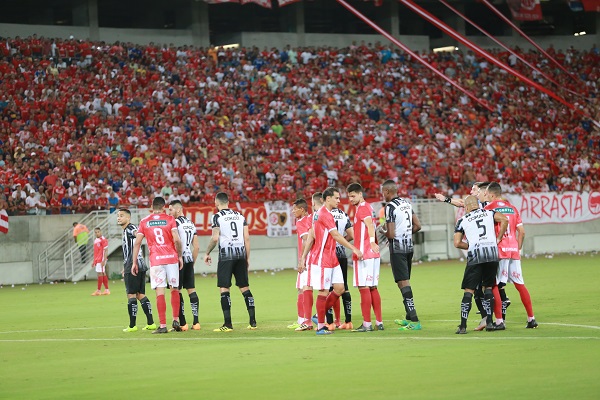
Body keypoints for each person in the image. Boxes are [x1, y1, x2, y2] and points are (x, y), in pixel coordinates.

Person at [299, 187, 363, 335]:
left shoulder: (320, 214)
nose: (339, 201)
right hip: (322, 259)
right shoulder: (324, 214)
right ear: (328, 199)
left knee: (340, 288)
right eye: (337, 198)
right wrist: (353, 248)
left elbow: (312, 236)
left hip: (332, 258)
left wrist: (303, 258)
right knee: (323, 291)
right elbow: (335, 235)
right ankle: (321, 326)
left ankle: (317, 316)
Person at [483, 182, 537, 329]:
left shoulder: (489, 208)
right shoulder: (513, 208)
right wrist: (517, 247)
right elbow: (522, 232)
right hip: (513, 250)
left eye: (487, 194)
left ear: (492, 195)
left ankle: (499, 321)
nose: (486, 196)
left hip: (500, 251)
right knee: (520, 285)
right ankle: (531, 319)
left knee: (494, 284)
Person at [453, 195, 508, 334]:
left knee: (469, 290)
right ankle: (489, 322)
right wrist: (499, 238)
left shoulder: (462, 220)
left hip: (476, 255)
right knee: (488, 287)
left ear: (466, 207)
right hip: (491, 253)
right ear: (477, 205)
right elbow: (504, 219)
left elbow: (457, 243)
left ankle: (463, 326)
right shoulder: (489, 213)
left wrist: (470, 246)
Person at [204, 192, 256, 332]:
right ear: (228, 201)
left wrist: (207, 252)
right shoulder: (240, 216)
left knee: (224, 288)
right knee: (244, 287)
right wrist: (248, 258)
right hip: (241, 255)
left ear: (216, 202)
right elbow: (247, 238)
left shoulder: (217, 217)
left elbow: (215, 238)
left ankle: (228, 324)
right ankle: (252, 321)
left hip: (226, 256)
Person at [132, 196, 183, 334]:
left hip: (156, 260)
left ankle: (162, 325)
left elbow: (137, 243)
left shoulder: (144, 221)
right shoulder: (170, 219)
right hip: (171, 258)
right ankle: (176, 320)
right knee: (174, 289)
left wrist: (134, 261)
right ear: (164, 207)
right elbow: (177, 240)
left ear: (152, 207)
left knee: (160, 292)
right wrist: (179, 255)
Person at [381, 179, 423, 331]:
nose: (382, 195)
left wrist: (382, 231)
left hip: (398, 249)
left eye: (382, 192)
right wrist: (404, 233)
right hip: (409, 247)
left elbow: (391, 235)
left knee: (403, 283)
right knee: (403, 281)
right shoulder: (406, 203)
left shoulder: (390, 207)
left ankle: (415, 320)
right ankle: (408, 317)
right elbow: (418, 226)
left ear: (387, 192)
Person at [345, 183, 382, 332]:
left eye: (353, 196)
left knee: (363, 287)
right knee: (372, 287)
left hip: (364, 254)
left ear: (360, 194)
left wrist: (372, 242)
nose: (351, 199)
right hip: (372, 254)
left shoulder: (363, 208)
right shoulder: (369, 207)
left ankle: (367, 324)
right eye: (349, 197)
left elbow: (370, 226)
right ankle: (379, 322)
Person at [117, 208, 156, 332]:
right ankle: (151, 323)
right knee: (140, 295)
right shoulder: (127, 229)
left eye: (122, 216)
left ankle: (132, 326)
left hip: (132, 265)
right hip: (141, 264)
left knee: (131, 295)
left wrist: (140, 234)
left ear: (128, 218)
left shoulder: (130, 228)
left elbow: (136, 233)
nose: (119, 218)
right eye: (118, 216)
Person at [169, 200, 201, 331]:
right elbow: (197, 247)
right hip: (189, 259)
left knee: (177, 290)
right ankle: (196, 322)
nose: (169, 212)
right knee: (191, 289)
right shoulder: (191, 223)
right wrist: (192, 262)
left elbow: (176, 242)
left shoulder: (174, 223)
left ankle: (183, 324)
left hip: (178, 260)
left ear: (178, 210)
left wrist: (178, 257)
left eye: (170, 210)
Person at [328, 204, 354, 330]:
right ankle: (348, 321)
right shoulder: (343, 214)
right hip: (342, 253)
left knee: (328, 287)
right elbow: (351, 234)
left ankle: (329, 323)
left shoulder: (325, 214)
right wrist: (342, 241)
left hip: (329, 254)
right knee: (345, 286)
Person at [287, 198, 312, 330]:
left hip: (307, 260)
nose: (293, 212)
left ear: (302, 210)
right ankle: (324, 319)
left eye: (295, 209)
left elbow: (306, 239)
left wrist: (302, 258)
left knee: (302, 289)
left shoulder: (301, 221)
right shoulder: (313, 219)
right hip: (317, 259)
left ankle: (303, 320)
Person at [90, 227, 110, 296]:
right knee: (102, 273)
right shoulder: (96, 240)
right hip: (98, 259)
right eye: (95, 232)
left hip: (101, 259)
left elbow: (106, 250)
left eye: (98, 232)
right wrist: (94, 261)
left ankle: (98, 291)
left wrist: (104, 260)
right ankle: (107, 290)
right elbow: (96, 252)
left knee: (100, 273)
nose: (97, 233)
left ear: (101, 232)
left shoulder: (103, 240)